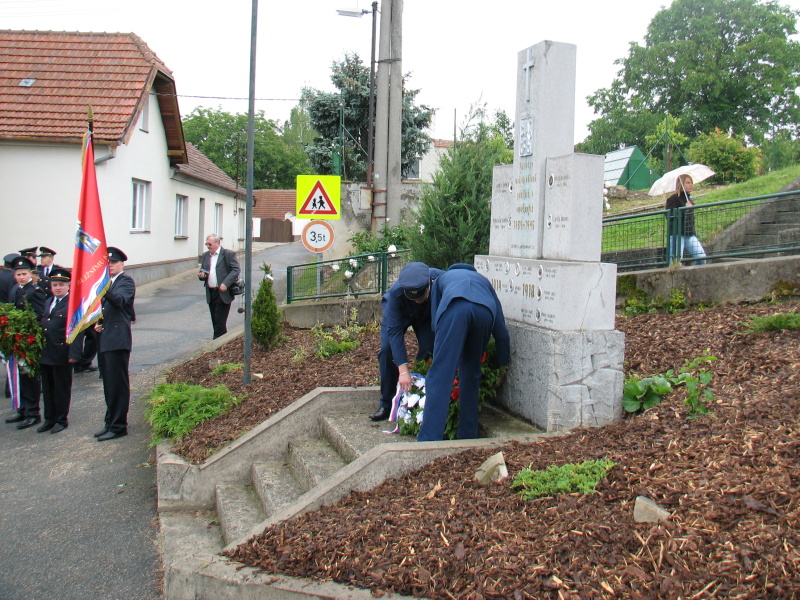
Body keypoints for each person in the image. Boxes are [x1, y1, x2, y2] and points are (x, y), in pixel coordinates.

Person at [416, 264, 510, 442]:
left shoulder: (442, 279)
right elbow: (501, 332)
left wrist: (445, 345)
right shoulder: (484, 282)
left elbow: (436, 321)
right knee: (471, 373)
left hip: (455, 308)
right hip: (485, 313)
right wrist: (503, 364)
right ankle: (468, 434)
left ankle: (429, 438)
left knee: (441, 374)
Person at [370, 261, 444, 422]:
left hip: (426, 316)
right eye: (413, 296)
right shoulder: (396, 293)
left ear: (429, 283)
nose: (417, 300)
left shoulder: (440, 279)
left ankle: (421, 397)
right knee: (387, 350)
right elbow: (394, 333)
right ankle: (387, 403)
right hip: (401, 313)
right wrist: (403, 371)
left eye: (420, 296)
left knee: (429, 349)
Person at [93, 247, 136, 441]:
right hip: (106, 338)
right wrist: (100, 322)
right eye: (107, 263)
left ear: (122, 264)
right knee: (109, 384)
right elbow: (108, 310)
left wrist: (104, 288)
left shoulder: (125, 281)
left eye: (113, 262)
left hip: (118, 340)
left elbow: (119, 301)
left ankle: (119, 426)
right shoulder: (110, 283)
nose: (110, 265)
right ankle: (110, 421)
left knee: (117, 384)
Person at [4, 256, 46, 429]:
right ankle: (22, 409)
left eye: (24, 274)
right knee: (19, 377)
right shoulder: (15, 288)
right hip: (16, 339)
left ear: (30, 274)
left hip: (28, 340)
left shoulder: (35, 291)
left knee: (30, 377)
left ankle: (33, 413)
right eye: (18, 274)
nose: (21, 277)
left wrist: (29, 331)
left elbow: (40, 315)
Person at [38, 267, 81, 434]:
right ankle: (49, 418)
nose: (57, 288)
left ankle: (61, 419)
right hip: (46, 352)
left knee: (61, 388)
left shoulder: (72, 303)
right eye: (54, 285)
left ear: (68, 286)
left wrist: (74, 353)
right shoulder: (49, 302)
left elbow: (77, 330)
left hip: (62, 353)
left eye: (61, 285)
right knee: (48, 388)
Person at [199, 234, 240, 339]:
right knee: (215, 321)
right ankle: (222, 342)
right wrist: (202, 275)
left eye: (210, 244)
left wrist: (225, 283)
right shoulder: (206, 256)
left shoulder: (228, 254)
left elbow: (235, 270)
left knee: (220, 323)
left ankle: (216, 344)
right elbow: (203, 270)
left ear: (217, 243)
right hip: (211, 293)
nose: (208, 246)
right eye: (206, 244)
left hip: (223, 294)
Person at [665, 174, 707, 265]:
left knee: (702, 258)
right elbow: (670, 216)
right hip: (677, 234)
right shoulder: (672, 199)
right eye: (688, 183)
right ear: (681, 184)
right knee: (676, 262)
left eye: (691, 182)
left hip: (689, 234)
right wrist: (685, 210)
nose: (691, 185)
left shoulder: (689, 200)